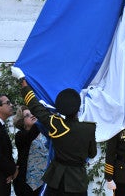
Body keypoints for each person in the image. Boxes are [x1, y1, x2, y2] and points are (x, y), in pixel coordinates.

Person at [11, 66, 97, 196]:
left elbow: (35, 106)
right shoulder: (89, 129)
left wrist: (22, 80)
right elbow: (92, 153)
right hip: (77, 181)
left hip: (57, 180)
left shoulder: (56, 124)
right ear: (78, 109)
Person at [13, 105, 49, 196]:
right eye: (27, 115)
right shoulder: (20, 136)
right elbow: (31, 135)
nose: (32, 115)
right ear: (22, 122)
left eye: (32, 113)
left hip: (46, 181)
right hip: (27, 184)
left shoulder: (44, 133)